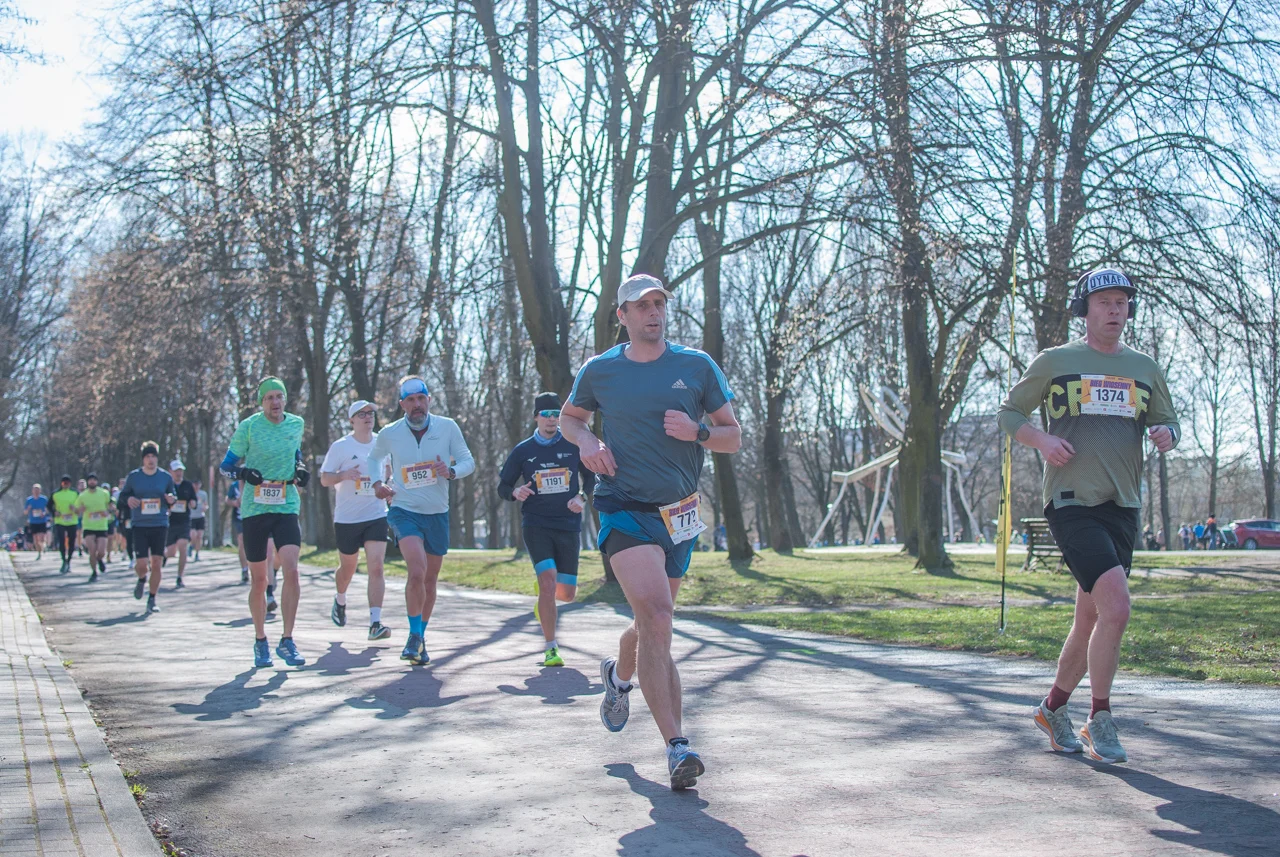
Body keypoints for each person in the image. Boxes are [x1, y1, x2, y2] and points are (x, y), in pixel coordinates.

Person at [561, 273, 741, 791]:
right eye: (641, 307)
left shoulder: (696, 366)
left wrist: (699, 431)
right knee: (659, 618)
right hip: (622, 507)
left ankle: (619, 679)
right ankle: (676, 746)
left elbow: (733, 437)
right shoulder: (601, 371)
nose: (652, 313)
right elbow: (572, 419)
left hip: (679, 516)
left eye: (659, 303)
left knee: (649, 625)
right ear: (622, 317)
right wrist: (587, 444)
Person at [1000, 268, 1179, 765]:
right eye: (1104, 302)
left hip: (1122, 504)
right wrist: (1042, 439)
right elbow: (1009, 413)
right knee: (1116, 608)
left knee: (1090, 618)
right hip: (1072, 501)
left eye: (1122, 302)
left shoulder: (1145, 367)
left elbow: (1166, 418)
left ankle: (1052, 708)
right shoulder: (1056, 361)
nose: (1115, 310)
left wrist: (1166, 434)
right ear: (1086, 309)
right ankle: (1100, 717)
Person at [367, 375, 474, 666]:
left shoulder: (447, 427)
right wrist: (377, 484)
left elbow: (468, 461)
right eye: (410, 400)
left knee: (430, 578)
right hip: (403, 509)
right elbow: (373, 458)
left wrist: (450, 471)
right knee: (417, 569)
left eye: (421, 398)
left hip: (437, 512)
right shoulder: (390, 433)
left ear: (428, 400)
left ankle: (420, 638)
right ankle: (414, 636)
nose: (417, 405)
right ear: (402, 404)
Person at [497, 391, 594, 667]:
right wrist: (515, 493)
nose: (551, 420)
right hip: (536, 523)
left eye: (555, 415)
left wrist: (582, 497)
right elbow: (503, 486)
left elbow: (592, 478)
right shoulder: (524, 451)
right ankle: (551, 648)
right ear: (536, 417)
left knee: (566, 593)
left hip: (567, 525)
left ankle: (543, 604)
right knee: (548, 579)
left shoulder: (574, 445)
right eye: (546, 415)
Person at [220, 376, 310, 668]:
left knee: (292, 571)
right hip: (255, 508)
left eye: (279, 397)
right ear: (262, 402)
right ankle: (260, 640)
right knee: (259, 580)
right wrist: (244, 474)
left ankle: (288, 639)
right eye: (269, 397)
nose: (275, 402)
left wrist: (300, 468)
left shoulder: (296, 424)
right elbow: (226, 467)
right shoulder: (248, 427)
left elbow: (296, 452)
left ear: (285, 400)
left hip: (286, 502)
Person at [320, 399, 392, 641]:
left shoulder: (383, 442)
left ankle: (375, 623)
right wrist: (343, 475)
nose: (367, 417)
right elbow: (324, 479)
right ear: (352, 420)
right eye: (361, 414)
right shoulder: (341, 446)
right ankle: (340, 598)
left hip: (375, 513)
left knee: (376, 566)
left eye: (370, 413)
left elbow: (389, 468)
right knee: (348, 568)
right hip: (348, 518)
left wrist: (387, 485)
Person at [120, 442, 177, 614]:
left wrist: (171, 499)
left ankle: (152, 598)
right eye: (147, 457)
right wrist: (129, 499)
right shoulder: (134, 477)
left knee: (157, 563)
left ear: (157, 458)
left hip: (160, 524)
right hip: (140, 525)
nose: (150, 460)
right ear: (143, 459)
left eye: (153, 456)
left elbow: (173, 495)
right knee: (142, 563)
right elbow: (122, 497)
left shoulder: (165, 477)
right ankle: (141, 578)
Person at [164, 460, 199, 588]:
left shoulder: (187, 485)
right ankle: (164, 556)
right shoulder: (167, 485)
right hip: (169, 522)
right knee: (171, 551)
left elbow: (193, 499)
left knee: (182, 546)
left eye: (181, 471)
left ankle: (180, 576)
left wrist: (193, 503)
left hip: (184, 521)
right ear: (170, 472)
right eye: (176, 471)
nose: (179, 473)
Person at [75, 474, 114, 581]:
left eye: (94, 480)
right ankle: (94, 572)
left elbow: (111, 506)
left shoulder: (104, 493)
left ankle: (100, 559)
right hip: (88, 526)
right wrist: (80, 510)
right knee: (92, 550)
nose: (92, 482)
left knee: (101, 551)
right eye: (90, 480)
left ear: (97, 482)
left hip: (101, 526)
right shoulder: (83, 495)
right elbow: (76, 510)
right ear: (88, 482)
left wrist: (108, 512)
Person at [50, 475, 80, 574]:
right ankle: (63, 560)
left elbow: (81, 504)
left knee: (72, 542)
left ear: (70, 483)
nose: (65, 484)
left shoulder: (75, 493)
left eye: (67, 482)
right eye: (64, 483)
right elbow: (49, 505)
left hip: (72, 520)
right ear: (61, 483)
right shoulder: (55, 493)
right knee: (62, 541)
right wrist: (54, 512)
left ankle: (69, 561)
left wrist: (75, 509)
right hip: (60, 521)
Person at [226, 479, 248, 583]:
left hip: (254, 517)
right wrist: (234, 502)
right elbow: (228, 499)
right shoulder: (234, 486)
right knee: (242, 541)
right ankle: (244, 570)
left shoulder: (255, 482)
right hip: (239, 518)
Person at [23, 483, 49, 559]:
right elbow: (25, 512)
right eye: (35, 490)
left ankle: (44, 546)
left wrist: (44, 513)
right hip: (33, 521)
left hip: (42, 521)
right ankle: (39, 553)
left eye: (38, 490)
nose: (36, 491)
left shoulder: (44, 499)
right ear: (32, 491)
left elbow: (48, 510)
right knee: (35, 539)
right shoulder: (29, 500)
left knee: (41, 537)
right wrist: (28, 508)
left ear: (40, 490)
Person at [115, 477, 133, 565]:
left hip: (139, 519)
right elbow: (119, 507)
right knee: (128, 538)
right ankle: (132, 558)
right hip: (127, 519)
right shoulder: (123, 494)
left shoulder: (138, 492)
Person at [189, 478, 208, 561]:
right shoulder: (189, 493)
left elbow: (206, 504)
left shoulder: (203, 494)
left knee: (199, 536)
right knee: (193, 536)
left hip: (200, 517)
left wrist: (205, 508)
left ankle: (197, 554)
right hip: (191, 517)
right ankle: (191, 546)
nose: (196, 486)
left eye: (198, 484)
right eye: (195, 484)